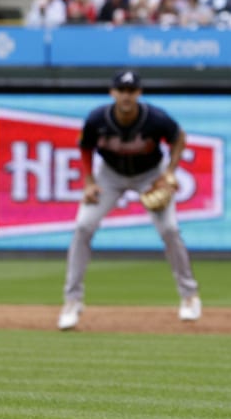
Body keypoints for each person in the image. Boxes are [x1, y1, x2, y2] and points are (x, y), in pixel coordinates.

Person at [59, 69, 201, 330]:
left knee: (169, 230)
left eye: (131, 91)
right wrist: (89, 181)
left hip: (150, 175)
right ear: (112, 93)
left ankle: (189, 296)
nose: (126, 96)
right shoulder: (97, 118)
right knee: (82, 226)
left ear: (139, 93)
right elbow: (85, 146)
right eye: (121, 91)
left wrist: (169, 173)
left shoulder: (154, 118)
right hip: (110, 176)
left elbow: (178, 138)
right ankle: (72, 301)